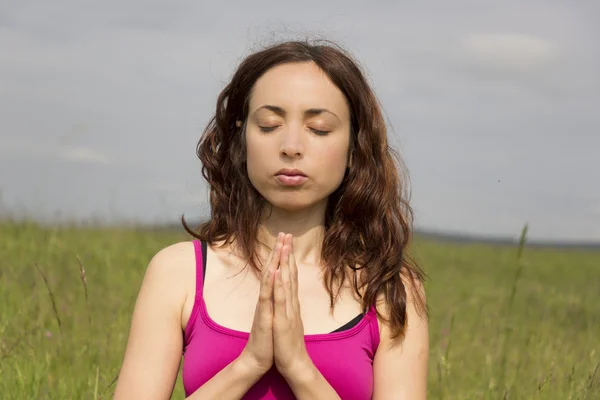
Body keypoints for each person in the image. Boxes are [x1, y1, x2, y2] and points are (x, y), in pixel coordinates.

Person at [114, 39, 429, 400]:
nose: (291, 146)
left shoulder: (389, 289)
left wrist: (299, 367)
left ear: (354, 147)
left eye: (319, 129)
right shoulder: (177, 273)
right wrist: (248, 364)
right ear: (240, 138)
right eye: (268, 125)